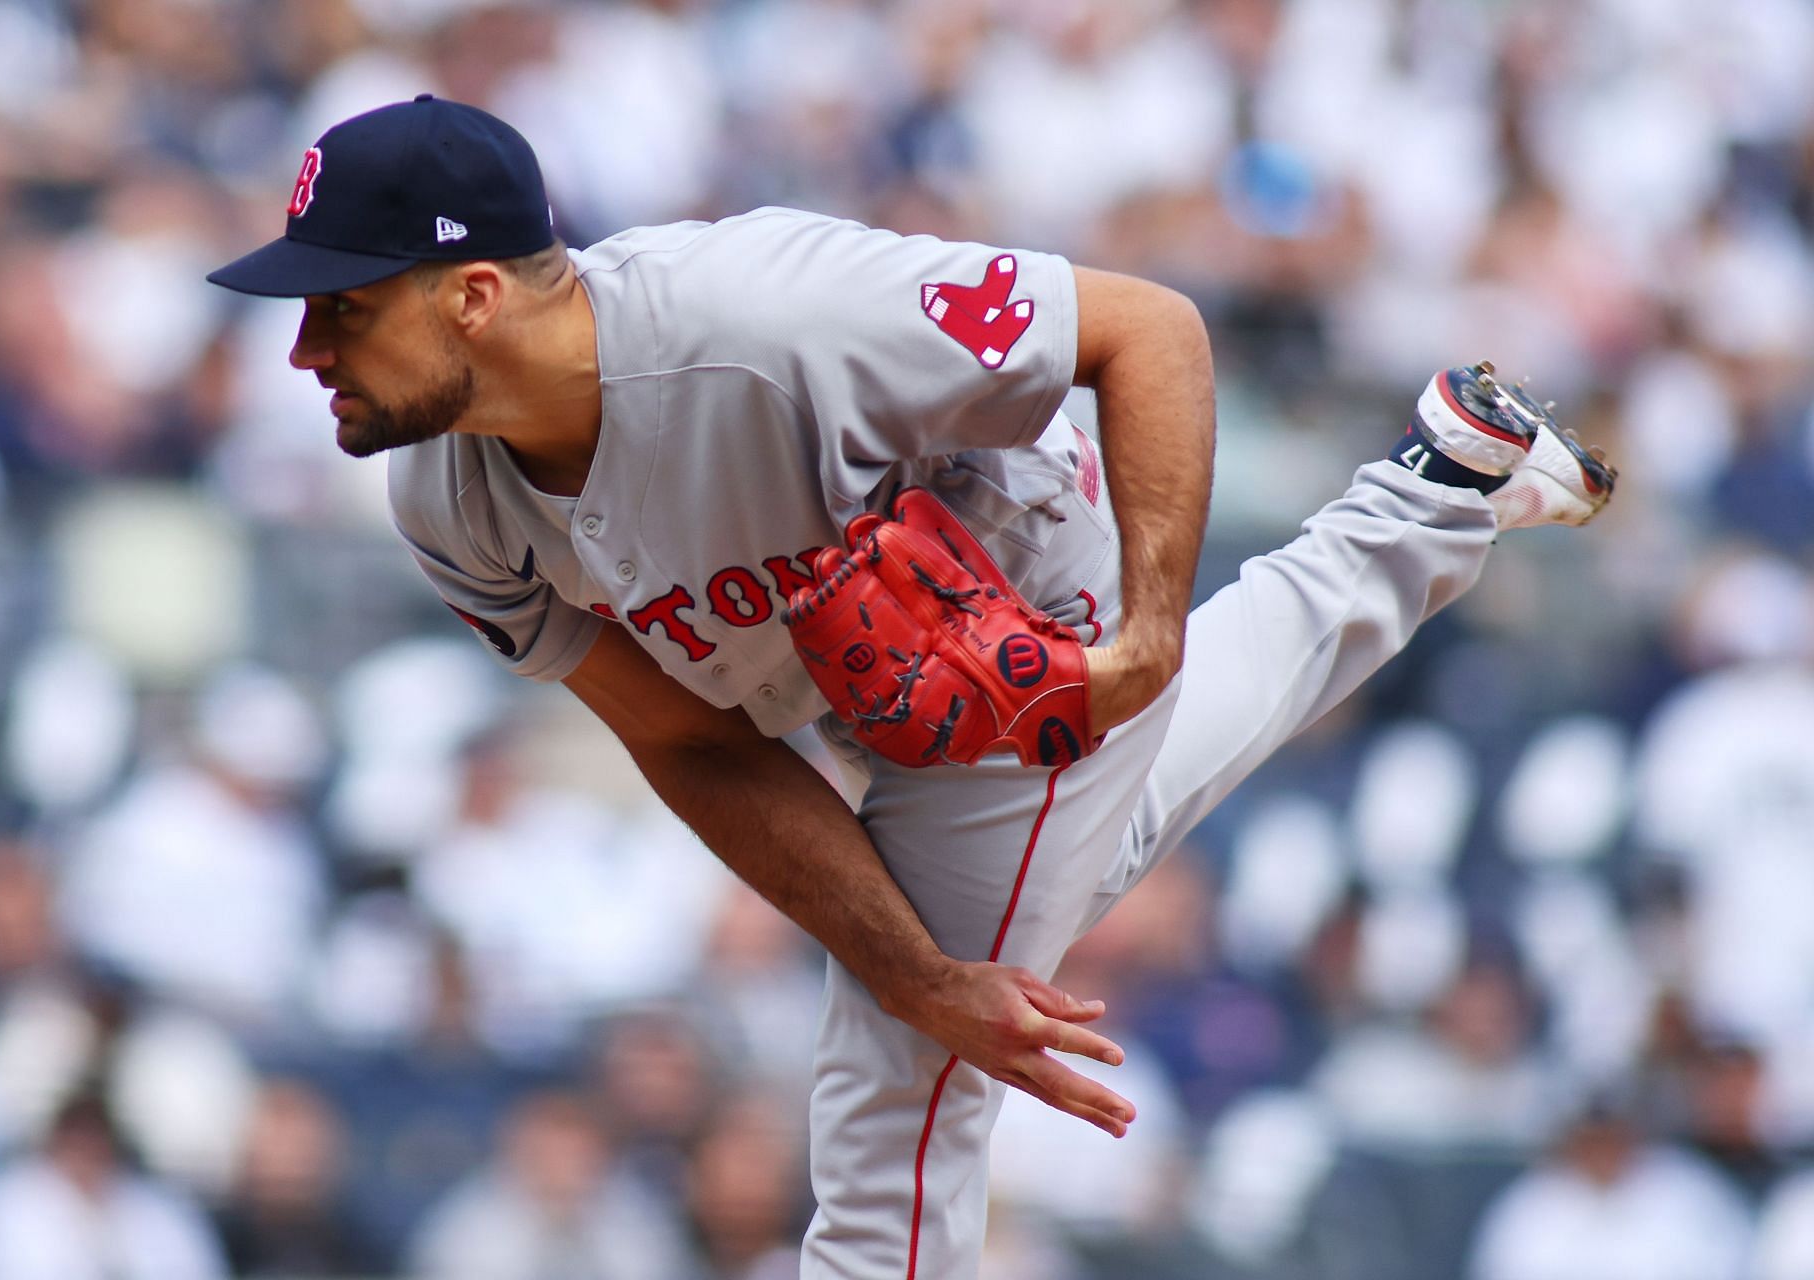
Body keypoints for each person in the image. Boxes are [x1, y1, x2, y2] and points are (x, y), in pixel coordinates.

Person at [207, 96, 1614, 1279]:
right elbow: (693, 748)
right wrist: (916, 966)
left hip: (1026, 620)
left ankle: (1424, 504)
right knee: (999, 926)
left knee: (897, 1104)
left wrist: (1141, 642)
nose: (305, 349)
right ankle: (1444, 484)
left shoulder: (770, 313)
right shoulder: (447, 504)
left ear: (470, 294)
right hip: (851, 697)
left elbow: (1150, 333)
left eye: (342, 305)